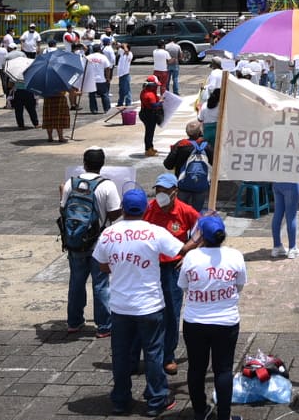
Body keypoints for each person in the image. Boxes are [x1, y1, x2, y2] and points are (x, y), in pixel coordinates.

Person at [94, 188, 190, 418]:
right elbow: (179, 250)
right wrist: (198, 239)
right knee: (154, 354)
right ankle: (156, 399)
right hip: (149, 305)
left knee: (120, 355)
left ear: (124, 209)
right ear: (146, 208)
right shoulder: (155, 232)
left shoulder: (109, 233)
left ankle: (120, 400)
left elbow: (102, 265)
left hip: (120, 306)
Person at [179, 216, 244, 420]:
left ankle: (200, 411)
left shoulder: (191, 257)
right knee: (223, 369)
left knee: (196, 368)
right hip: (226, 322)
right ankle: (224, 415)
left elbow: (183, 286)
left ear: (201, 237)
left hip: (195, 321)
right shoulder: (235, 256)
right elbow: (239, 285)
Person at [60, 148, 121, 336]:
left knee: (76, 283)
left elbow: (63, 210)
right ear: (102, 164)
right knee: (101, 284)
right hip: (99, 244)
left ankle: (74, 322)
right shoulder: (107, 185)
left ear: (84, 163)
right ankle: (104, 326)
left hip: (75, 242)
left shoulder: (71, 183)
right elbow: (114, 214)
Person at [144, 173, 199, 376]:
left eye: (165, 191)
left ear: (175, 191)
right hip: (150, 267)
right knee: (149, 312)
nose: (161, 195)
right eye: (158, 191)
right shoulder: (149, 208)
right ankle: (150, 353)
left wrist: (189, 251)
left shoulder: (185, 211)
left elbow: (205, 228)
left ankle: (168, 356)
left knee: (172, 313)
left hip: (173, 269)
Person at [163, 122, 211, 211]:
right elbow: (213, 162)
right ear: (200, 132)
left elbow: (168, 164)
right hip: (201, 184)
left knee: (180, 211)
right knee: (196, 213)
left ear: (187, 132)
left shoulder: (180, 145)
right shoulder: (206, 146)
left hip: (182, 184)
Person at [271, 181, 299, 259]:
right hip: (291, 183)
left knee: (277, 214)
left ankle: (276, 246)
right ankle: (292, 248)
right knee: (291, 216)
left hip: (276, 182)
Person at [138, 77, 163, 157]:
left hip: (145, 113)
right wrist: (161, 102)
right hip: (149, 115)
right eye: (155, 85)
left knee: (150, 132)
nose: (157, 87)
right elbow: (154, 106)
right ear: (151, 85)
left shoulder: (145, 91)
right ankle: (148, 149)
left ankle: (150, 147)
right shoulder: (149, 95)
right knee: (149, 133)